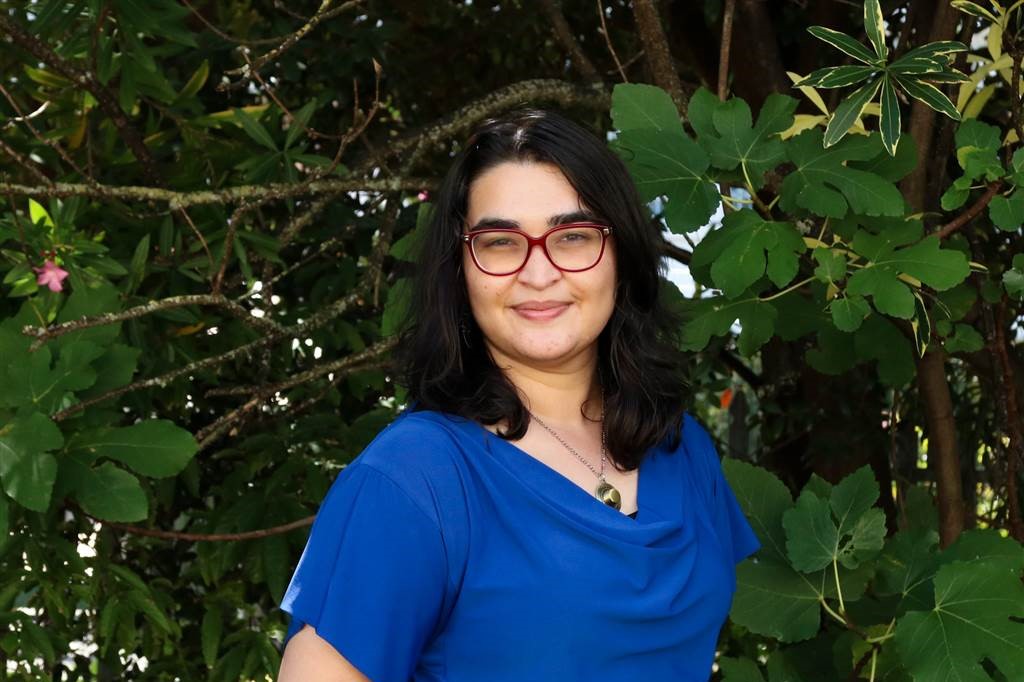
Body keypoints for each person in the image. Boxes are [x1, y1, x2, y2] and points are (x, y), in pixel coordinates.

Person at [276, 109, 759, 682]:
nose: (538, 273)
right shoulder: (413, 478)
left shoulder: (682, 447)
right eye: (501, 242)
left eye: (573, 236)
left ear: (621, 254)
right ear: (460, 269)